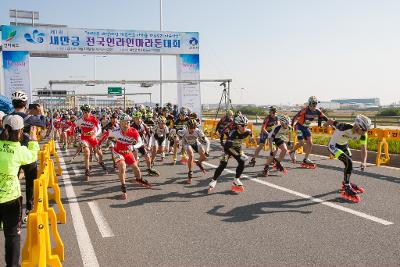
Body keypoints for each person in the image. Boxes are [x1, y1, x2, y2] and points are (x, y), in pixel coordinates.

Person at [0, 114, 39, 267]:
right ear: (21, 131)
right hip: (11, 199)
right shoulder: (19, 150)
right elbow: (33, 156)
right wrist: (34, 139)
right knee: (12, 237)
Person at [10, 91, 46, 222]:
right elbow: (43, 123)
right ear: (25, 104)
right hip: (27, 153)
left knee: (13, 182)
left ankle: (15, 212)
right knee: (30, 182)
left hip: (12, 154)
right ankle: (29, 209)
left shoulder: (8, 117)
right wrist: (41, 111)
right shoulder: (27, 118)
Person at [98, 113, 151, 199]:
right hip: (118, 152)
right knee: (122, 166)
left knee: (136, 168)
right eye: (122, 123)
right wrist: (99, 144)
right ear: (120, 123)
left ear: (130, 123)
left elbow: (140, 142)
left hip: (127, 152)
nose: (125, 125)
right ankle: (124, 189)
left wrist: (133, 146)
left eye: (127, 123)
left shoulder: (134, 131)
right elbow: (106, 134)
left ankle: (139, 179)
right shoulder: (116, 131)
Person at [325, 115, 371, 203]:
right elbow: (331, 121)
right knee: (349, 162)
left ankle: (346, 183)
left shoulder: (363, 135)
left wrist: (363, 162)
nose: (365, 132)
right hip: (333, 146)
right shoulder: (343, 126)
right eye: (364, 130)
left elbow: (364, 149)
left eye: (367, 130)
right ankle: (346, 186)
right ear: (357, 126)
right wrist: (325, 124)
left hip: (343, 145)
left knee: (349, 163)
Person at [208, 113, 252, 193]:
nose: (244, 127)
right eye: (242, 126)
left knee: (242, 162)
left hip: (238, 148)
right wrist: (239, 155)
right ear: (238, 125)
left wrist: (251, 138)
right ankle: (213, 180)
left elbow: (250, 133)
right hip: (228, 149)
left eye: (246, 125)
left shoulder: (247, 131)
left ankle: (236, 180)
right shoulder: (233, 133)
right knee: (223, 164)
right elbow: (228, 147)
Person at [290, 96, 329, 168]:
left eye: (316, 103)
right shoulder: (305, 110)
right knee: (301, 143)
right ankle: (292, 151)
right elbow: (295, 117)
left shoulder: (317, 111)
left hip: (305, 127)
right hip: (298, 127)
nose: (315, 105)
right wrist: (291, 126)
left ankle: (306, 159)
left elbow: (325, 118)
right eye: (313, 103)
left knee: (310, 143)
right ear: (310, 103)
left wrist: (331, 123)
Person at [75, 104, 108, 181]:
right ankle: (87, 170)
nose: (87, 113)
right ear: (82, 112)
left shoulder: (93, 119)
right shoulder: (80, 120)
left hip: (93, 138)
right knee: (87, 152)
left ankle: (101, 162)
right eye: (85, 112)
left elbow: (99, 128)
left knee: (100, 153)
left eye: (88, 112)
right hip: (84, 138)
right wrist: (77, 134)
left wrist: (95, 134)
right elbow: (74, 126)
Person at [178, 119, 210, 184]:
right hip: (186, 143)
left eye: (194, 128)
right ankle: (190, 174)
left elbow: (207, 141)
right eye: (190, 128)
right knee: (191, 155)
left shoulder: (198, 131)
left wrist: (207, 151)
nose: (192, 129)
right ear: (187, 127)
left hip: (195, 142)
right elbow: (177, 133)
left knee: (204, 157)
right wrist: (178, 141)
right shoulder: (184, 131)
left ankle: (198, 162)